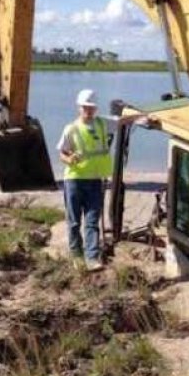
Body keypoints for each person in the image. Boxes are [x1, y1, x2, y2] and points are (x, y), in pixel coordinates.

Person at [57, 89, 113, 271]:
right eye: (85, 107)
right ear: (79, 107)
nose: (88, 110)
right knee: (74, 221)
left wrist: (145, 118)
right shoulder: (71, 129)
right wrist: (68, 159)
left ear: (95, 108)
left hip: (95, 180)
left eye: (91, 107)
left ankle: (92, 257)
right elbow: (62, 153)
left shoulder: (103, 124)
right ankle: (77, 256)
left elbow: (123, 121)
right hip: (75, 180)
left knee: (91, 221)